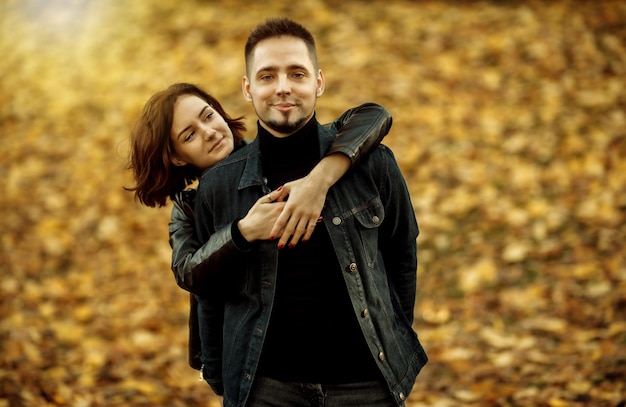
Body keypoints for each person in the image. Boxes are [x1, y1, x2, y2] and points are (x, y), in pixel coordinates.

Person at [193, 18, 427, 407]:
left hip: (366, 386)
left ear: (318, 82)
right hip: (266, 389)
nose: (283, 86)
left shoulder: (374, 166)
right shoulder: (219, 186)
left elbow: (402, 253)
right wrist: (221, 378)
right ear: (248, 89)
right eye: (267, 76)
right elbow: (208, 289)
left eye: (296, 73)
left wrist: (393, 332)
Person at [126, 83, 393, 373]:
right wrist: (243, 232)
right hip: (250, 365)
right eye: (189, 135)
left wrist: (319, 179)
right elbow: (188, 272)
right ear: (177, 156)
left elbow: (373, 115)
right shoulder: (188, 208)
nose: (210, 132)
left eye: (208, 116)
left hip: (345, 353)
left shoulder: (275, 153)